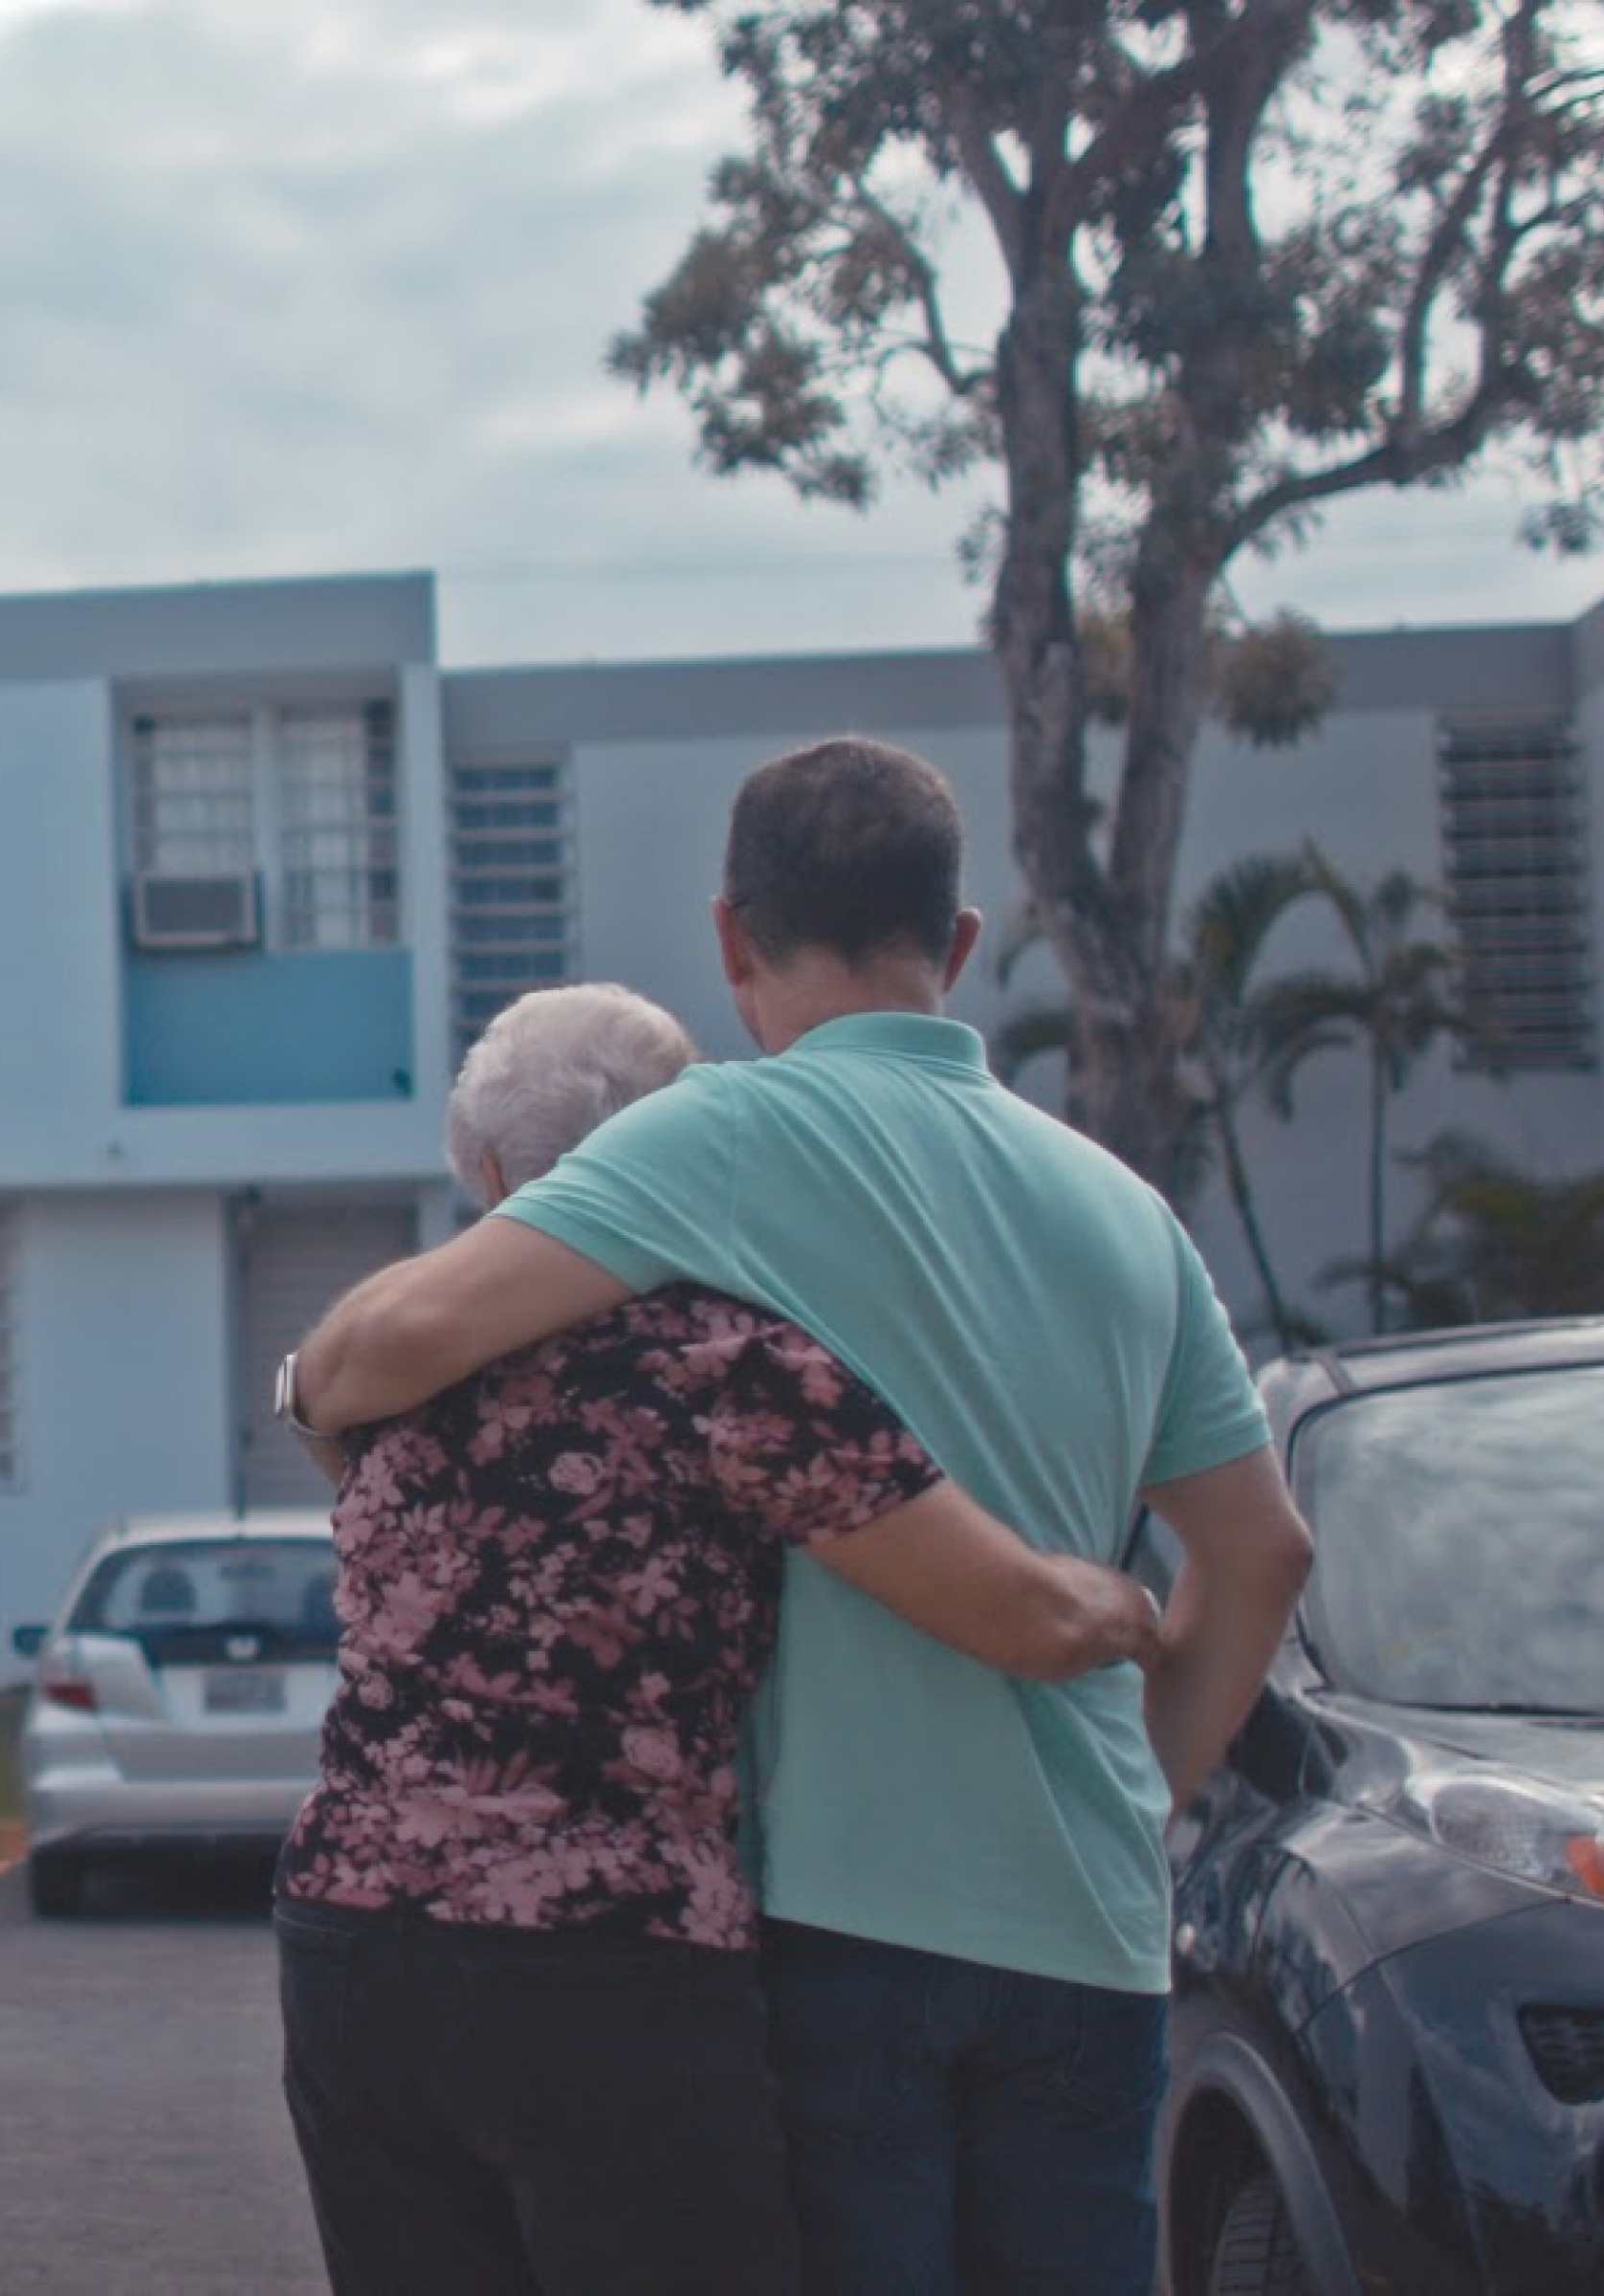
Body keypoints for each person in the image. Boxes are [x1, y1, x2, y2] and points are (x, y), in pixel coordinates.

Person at [286, 738, 1316, 2295]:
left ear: (729, 939)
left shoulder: (712, 1142)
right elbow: (1260, 1555)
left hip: (836, 1912)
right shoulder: (1129, 1211)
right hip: (1090, 1923)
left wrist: (310, 1390)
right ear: (959, 943)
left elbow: (399, 1344)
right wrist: (1147, 1790)